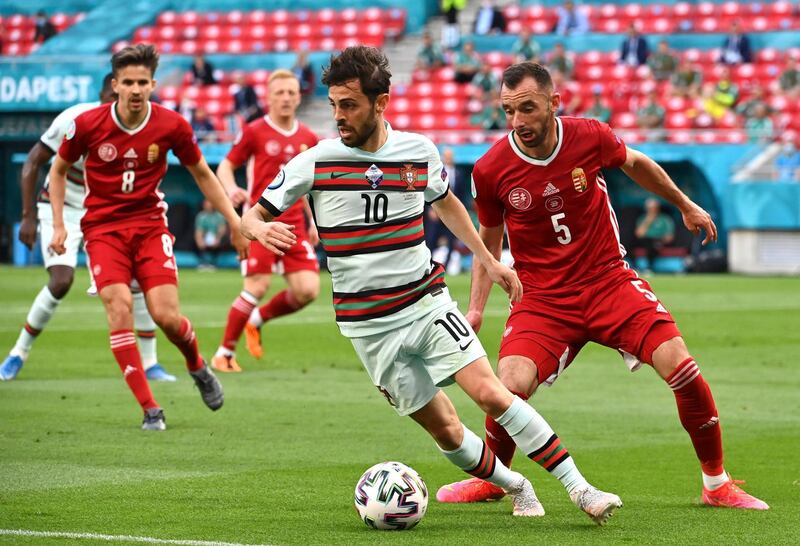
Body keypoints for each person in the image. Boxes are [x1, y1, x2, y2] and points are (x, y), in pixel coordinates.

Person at [242, 45, 622, 525]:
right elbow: (251, 215)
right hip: (367, 327)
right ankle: (516, 484)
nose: (339, 115)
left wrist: (490, 259)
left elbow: (448, 205)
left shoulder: (418, 152)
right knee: (444, 428)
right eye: (334, 104)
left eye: (350, 105)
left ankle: (581, 490)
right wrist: (257, 228)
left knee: (490, 392)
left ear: (381, 103)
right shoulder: (314, 162)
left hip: (424, 301)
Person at [436, 61, 768, 511]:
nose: (518, 122)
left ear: (554, 103)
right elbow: (488, 247)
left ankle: (717, 484)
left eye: (528, 108)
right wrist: (475, 309)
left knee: (682, 367)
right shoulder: (492, 168)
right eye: (508, 111)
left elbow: (635, 163)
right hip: (544, 297)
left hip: (608, 280)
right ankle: (496, 478)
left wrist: (685, 204)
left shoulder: (589, 135)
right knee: (506, 387)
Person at [47, 44, 247, 431]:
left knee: (166, 317)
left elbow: (203, 174)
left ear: (153, 85)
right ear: (115, 85)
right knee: (118, 307)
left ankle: (197, 366)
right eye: (128, 83)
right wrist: (58, 224)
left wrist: (235, 222)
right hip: (103, 230)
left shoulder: (172, 126)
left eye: (142, 82)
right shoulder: (87, 125)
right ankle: (150, 408)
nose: (136, 89)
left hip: (151, 227)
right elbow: (57, 172)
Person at [0, 74, 175, 384]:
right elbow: (33, 162)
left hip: (107, 212)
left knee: (136, 281)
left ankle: (150, 364)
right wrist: (27, 216)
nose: (117, 103)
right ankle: (17, 353)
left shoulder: (144, 126)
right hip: (63, 208)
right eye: (111, 96)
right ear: (106, 93)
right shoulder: (75, 119)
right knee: (61, 281)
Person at [213, 69, 320, 372]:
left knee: (307, 290)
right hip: (260, 223)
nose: (285, 98)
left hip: (296, 223)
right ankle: (224, 353)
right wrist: (232, 189)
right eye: (279, 93)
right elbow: (226, 166)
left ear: (299, 97)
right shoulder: (254, 131)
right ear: (269, 98)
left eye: (290, 93)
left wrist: (314, 222)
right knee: (257, 286)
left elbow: (313, 186)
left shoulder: (308, 138)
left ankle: (257, 320)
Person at [635, 198, 675, 273]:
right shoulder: (642, 219)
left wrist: (661, 239)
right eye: (649, 208)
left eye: (653, 208)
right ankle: (635, 266)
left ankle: (649, 268)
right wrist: (648, 220)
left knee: (654, 244)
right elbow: (639, 234)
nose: (651, 210)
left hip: (659, 240)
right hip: (645, 241)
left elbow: (669, 237)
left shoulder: (665, 219)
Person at [194, 199, 227, 269]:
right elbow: (199, 231)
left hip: (217, 238)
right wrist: (200, 241)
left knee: (223, 241)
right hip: (206, 238)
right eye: (206, 204)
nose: (208, 205)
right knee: (196, 242)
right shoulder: (201, 216)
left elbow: (222, 229)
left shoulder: (219, 216)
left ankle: (214, 263)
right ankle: (203, 262)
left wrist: (218, 239)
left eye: (210, 203)